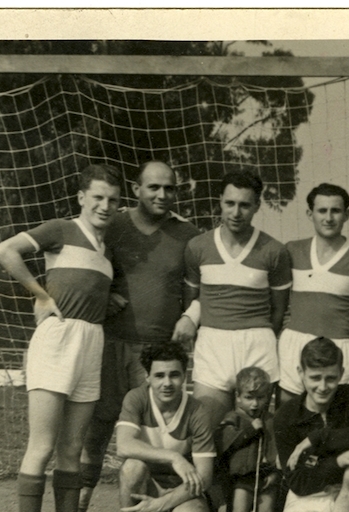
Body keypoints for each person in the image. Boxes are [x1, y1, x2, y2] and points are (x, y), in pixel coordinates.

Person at [0, 163, 122, 512]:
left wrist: (108, 300)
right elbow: (5, 251)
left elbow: (85, 288)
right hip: (57, 340)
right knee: (42, 446)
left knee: (72, 449)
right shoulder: (62, 229)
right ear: (82, 197)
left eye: (112, 200)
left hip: (92, 342)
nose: (104, 206)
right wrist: (41, 295)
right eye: (97, 197)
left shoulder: (107, 251)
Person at [78, 160, 202, 510]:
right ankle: (80, 501)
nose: (163, 195)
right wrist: (101, 297)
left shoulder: (188, 235)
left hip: (158, 356)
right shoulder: (111, 222)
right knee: (98, 428)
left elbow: (209, 285)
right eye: (154, 187)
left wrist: (192, 315)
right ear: (136, 190)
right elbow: (81, 266)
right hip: (110, 344)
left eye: (170, 188)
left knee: (150, 435)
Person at [179, 170, 292, 428]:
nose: (236, 212)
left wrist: (258, 334)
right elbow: (193, 299)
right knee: (206, 428)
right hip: (213, 344)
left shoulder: (274, 251)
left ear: (257, 206)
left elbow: (278, 310)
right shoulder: (198, 247)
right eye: (229, 203)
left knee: (253, 432)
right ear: (220, 200)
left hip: (256, 345)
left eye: (244, 205)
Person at [278, 183, 349, 404]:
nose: (329, 217)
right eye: (322, 210)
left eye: (336, 211)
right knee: (288, 420)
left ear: (347, 214)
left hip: (339, 348)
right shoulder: (292, 250)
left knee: (337, 428)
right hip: (295, 345)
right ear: (309, 213)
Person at [273, 337, 349, 512]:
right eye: (315, 378)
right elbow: (297, 481)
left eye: (331, 378)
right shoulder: (286, 415)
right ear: (301, 373)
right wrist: (337, 462)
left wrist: (320, 437)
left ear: (341, 373)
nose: (323, 386)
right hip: (309, 495)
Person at [116, 343, 216, 512]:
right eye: (159, 376)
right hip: (148, 484)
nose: (167, 383)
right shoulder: (137, 398)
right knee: (132, 468)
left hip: (183, 490)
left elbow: (204, 477)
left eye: (174, 375)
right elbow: (123, 445)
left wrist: (160, 504)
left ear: (185, 376)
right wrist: (174, 457)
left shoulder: (197, 411)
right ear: (147, 376)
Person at [218, 366, 280, 512]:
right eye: (249, 397)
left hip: (266, 475)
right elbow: (226, 443)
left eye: (260, 397)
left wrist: (275, 473)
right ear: (238, 397)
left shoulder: (271, 420)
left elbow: (277, 448)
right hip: (242, 478)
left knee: (267, 507)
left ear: (268, 397)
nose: (255, 404)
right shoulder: (233, 418)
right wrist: (249, 431)